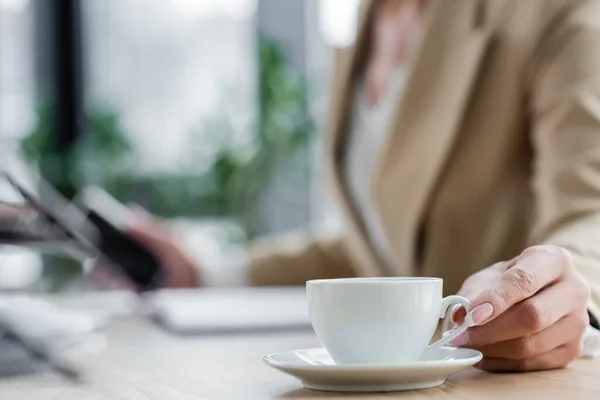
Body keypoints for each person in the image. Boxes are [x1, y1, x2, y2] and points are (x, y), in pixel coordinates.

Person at [125, 0, 600, 372]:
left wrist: (560, 286)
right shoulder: (364, 23)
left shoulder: (550, 10)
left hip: (495, 379)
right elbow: (377, 244)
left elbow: (589, 212)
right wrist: (206, 272)